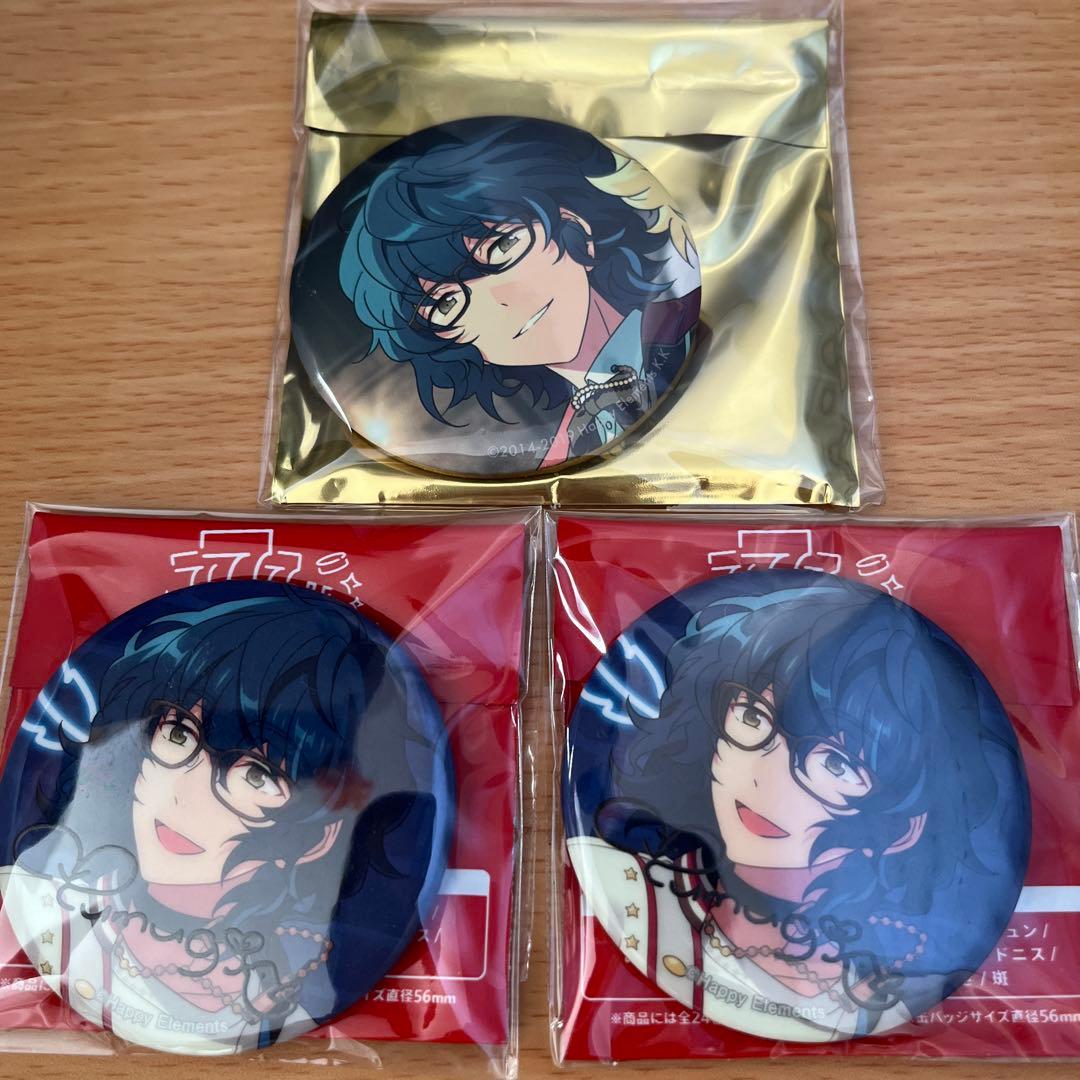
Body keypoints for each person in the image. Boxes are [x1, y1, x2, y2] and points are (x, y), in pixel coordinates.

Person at [567, 573, 1029, 1040]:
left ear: (905, 824)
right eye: (754, 717)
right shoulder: (628, 889)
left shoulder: (903, 979)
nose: (765, 779)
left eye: (836, 762)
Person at [0, 586, 444, 1053]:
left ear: (323, 833)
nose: (183, 797)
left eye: (257, 774)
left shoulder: (299, 981)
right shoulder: (39, 897)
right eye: (179, 733)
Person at [337, 117, 700, 467]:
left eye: (502, 247)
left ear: (575, 229)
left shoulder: (684, 330)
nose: (500, 303)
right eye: (447, 304)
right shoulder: (557, 451)